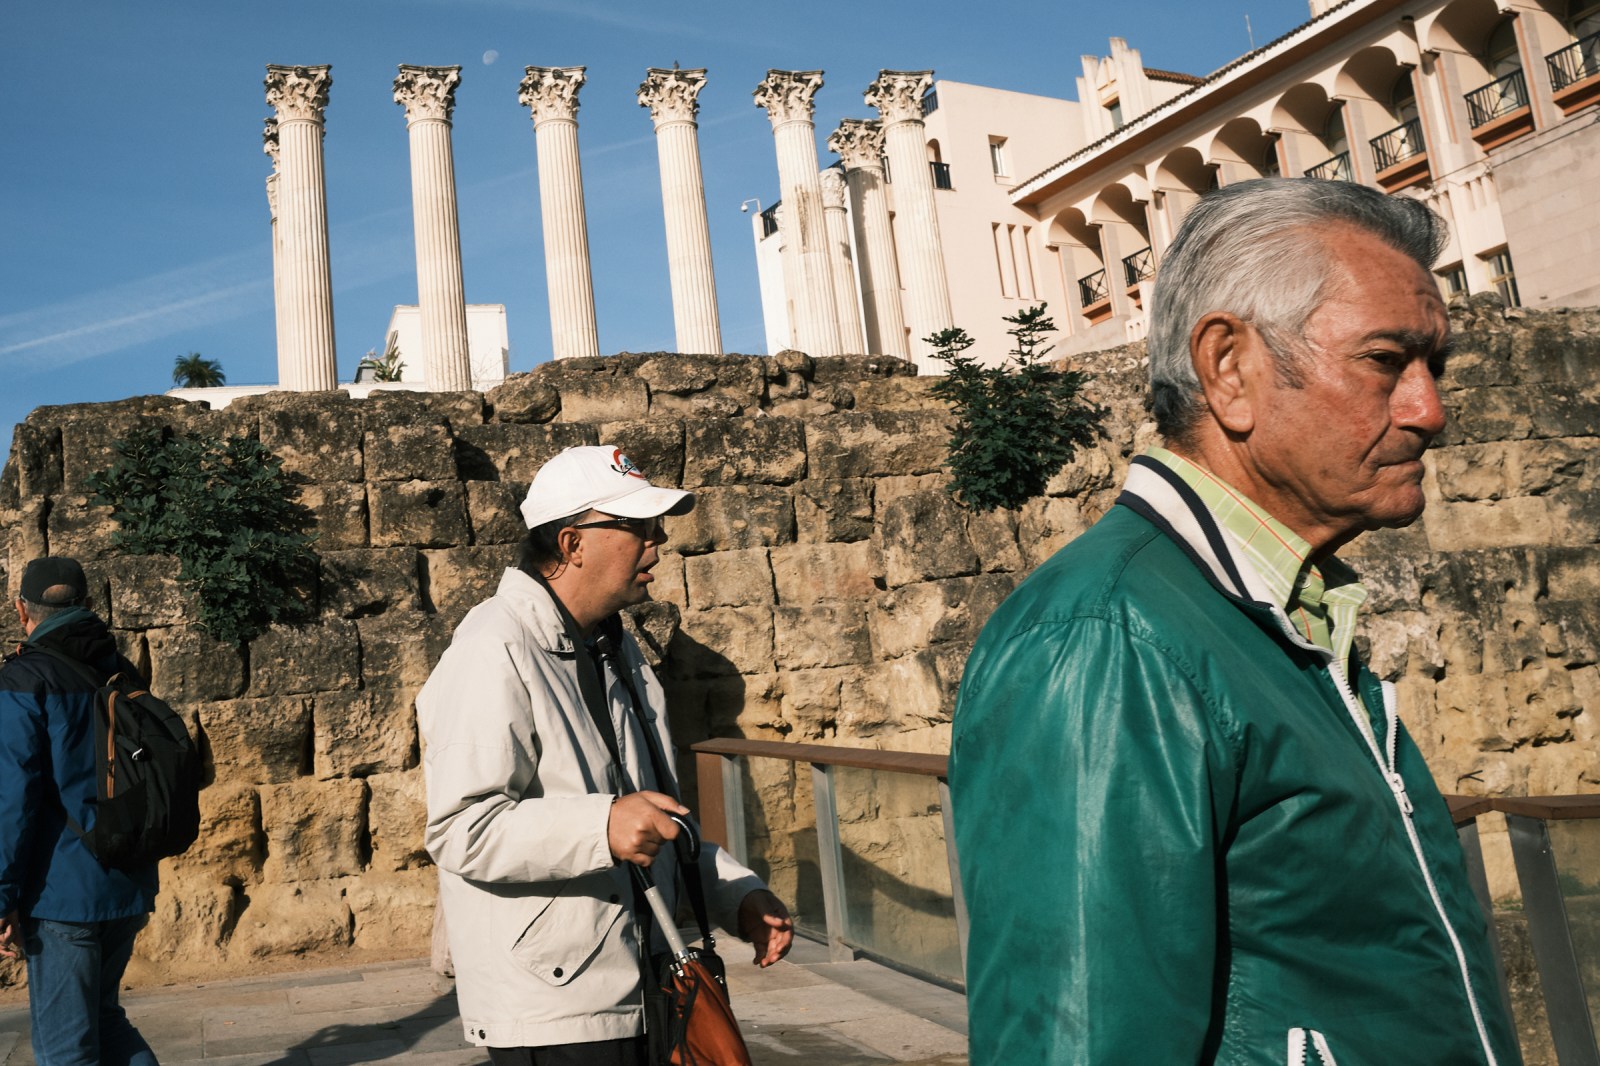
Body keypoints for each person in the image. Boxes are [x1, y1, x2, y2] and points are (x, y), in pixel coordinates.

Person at [949, 179, 1522, 1065]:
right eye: (1384, 361)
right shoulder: (1111, 640)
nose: (1428, 410)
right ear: (1228, 369)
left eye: (1434, 366)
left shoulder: (1276, 610)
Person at [417, 445, 793, 1066]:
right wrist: (601, 824)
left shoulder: (617, 652)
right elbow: (463, 829)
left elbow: (651, 817)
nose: (659, 542)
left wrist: (736, 896)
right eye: (639, 527)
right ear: (571, 544)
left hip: (640, 987)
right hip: (556, 1011)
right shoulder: (492, 650)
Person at [0, 556, 160, 1066]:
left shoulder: (24, 679)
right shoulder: (118, 665)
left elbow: (11, 798)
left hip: (62, 894)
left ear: (22, 609)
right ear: (87, 605)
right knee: (108, 1021)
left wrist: (1, 897)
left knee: (64, 1050)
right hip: (126, 877)